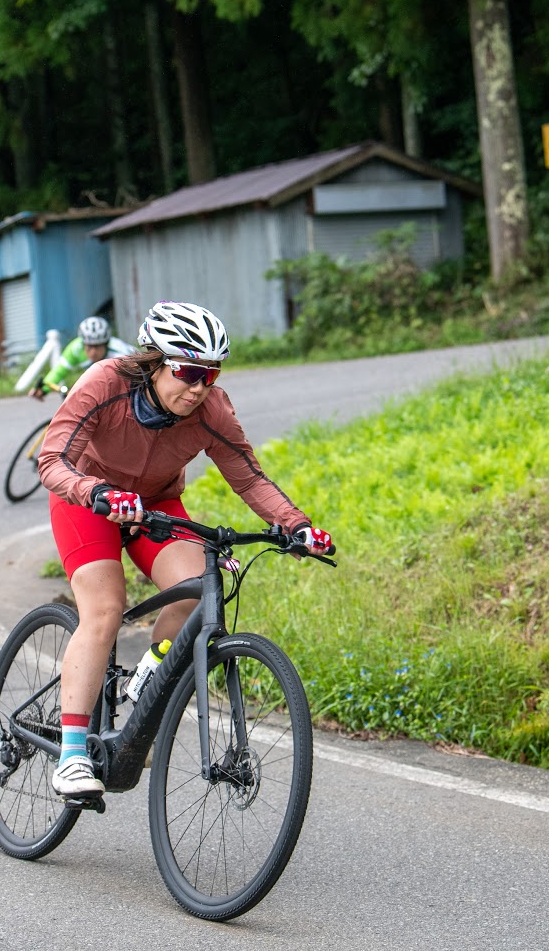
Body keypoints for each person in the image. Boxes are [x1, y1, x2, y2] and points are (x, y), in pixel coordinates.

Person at [35, 300, 334, 799]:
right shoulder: (104, 384)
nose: (199, 388)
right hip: (89, 498)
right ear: (155, 362)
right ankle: (70, 757)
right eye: (189, 371)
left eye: (210, 375)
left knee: (196, 588)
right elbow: (52, 460)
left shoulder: (211, 409)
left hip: (156, 503)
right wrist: (95, 493)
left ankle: (149, 679)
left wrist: (296, 526)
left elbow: (248, 476)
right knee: (105, 611)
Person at [30, 316, 133, 399]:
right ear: (83, 344)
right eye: (89, 346)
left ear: (106, 344)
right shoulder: (76, 348)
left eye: (97, 346)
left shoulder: (119, 353)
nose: (93, 352)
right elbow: (59, 371)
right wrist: (44, 389)